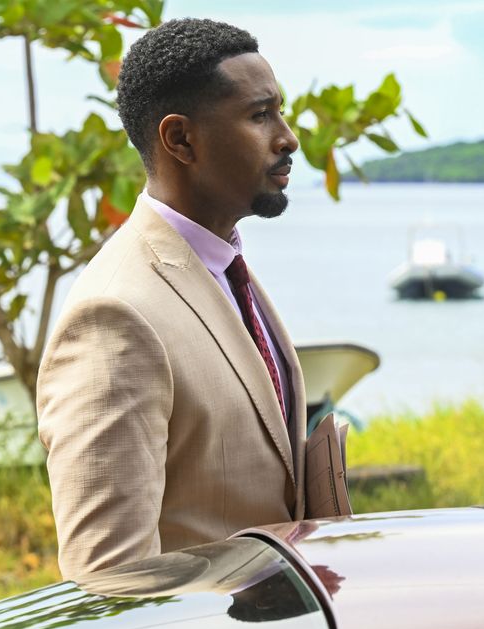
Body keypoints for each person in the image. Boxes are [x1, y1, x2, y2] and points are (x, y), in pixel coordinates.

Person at [36, 18, 305, 580]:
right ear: (180, 139)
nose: (288, 138)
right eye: (260, 115)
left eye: (279, 111)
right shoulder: (114, 317)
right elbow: (110, 580)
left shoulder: (223, 267)